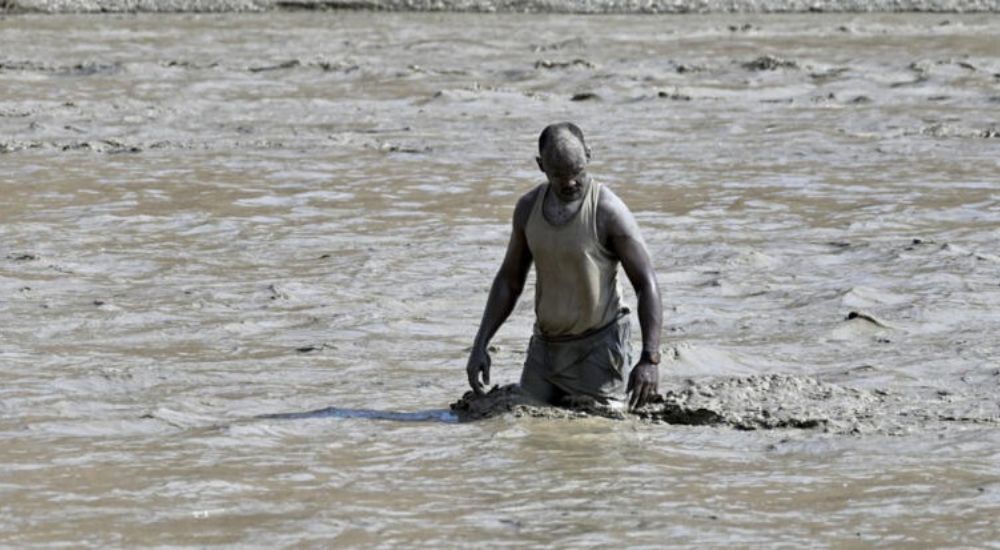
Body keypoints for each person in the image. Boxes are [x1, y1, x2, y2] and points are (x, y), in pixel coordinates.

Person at [465, 122, 663, 411]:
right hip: (545, 350)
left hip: (600, 348)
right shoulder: (528, 208)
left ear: (588, 155)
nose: (569, 182)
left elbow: (647, 283)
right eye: (558, 174)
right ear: (540, 166)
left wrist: (649, 359)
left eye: (577, 172)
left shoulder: (607, 210)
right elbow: (509, 281)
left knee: (599, 434)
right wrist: (480, 343)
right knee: (525, 428)